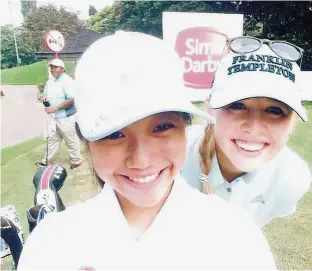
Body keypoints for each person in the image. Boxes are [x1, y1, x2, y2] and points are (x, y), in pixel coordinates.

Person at [17, 31, 276, 270]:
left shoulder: (236, 236)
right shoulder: (52, 244)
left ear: (185, 130)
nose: (141, 160)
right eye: (114, 134)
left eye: (162, 127)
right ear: (88, 142)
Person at [182, 36, 312, 227]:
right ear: (210, 108)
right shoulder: (169, 157)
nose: (254, 126)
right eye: (237, 105)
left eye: (275, 110)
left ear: (292, 124)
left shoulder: (292, 178)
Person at [36, 58, 82, 169]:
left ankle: (76, 161)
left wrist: (55, 108)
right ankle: (47, 161)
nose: (52, 69)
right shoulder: (50, 81)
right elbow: (45, 95)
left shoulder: (67, 81)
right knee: (52, 139)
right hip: (53, 117)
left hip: (66, 117)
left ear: (62, 68)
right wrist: (43, 98)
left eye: (55, 67)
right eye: (51, 67)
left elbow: (71, 99)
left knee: (70, 139)